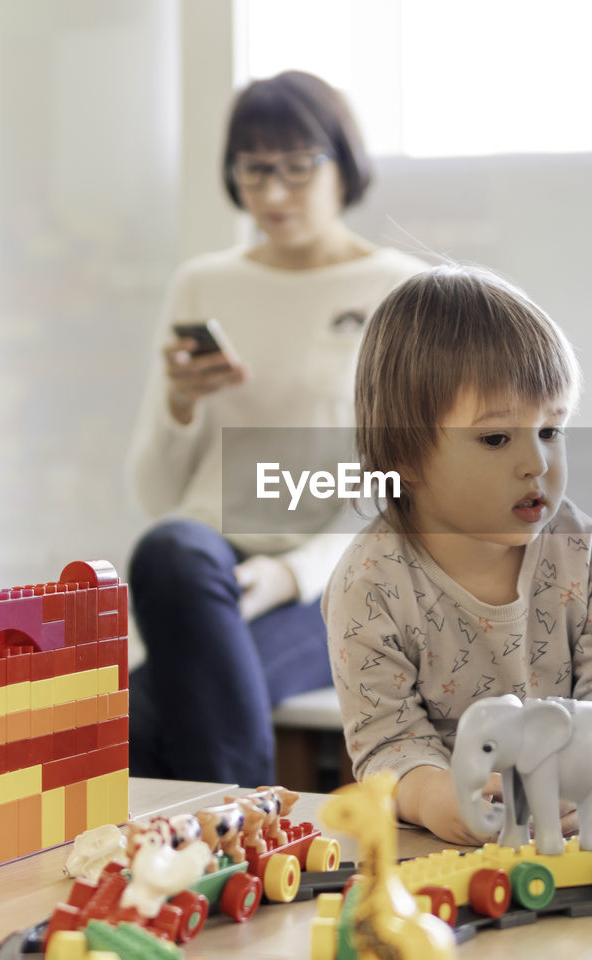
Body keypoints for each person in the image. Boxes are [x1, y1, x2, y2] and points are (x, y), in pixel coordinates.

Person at [323, 265, 592, 845]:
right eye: (497, 438)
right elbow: (386, 739)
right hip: (482, 823)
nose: (537, 464)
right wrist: (433, 796)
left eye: (551, 430)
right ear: (405, 458)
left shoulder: (585, 551)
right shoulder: (369, 582)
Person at [126, 70, 426, 786]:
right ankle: (248, 844)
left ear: (343, 162)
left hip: (340, 575)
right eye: (254, 171)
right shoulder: (204, 283)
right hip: (210, 564)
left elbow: (410, 484)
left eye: (297, 168)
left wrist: (293, 573)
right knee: (166, 549)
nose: (274, 194)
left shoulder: (401, 292)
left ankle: (230, 849)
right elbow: (159, 492)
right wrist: (178, 406)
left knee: (142, 714)